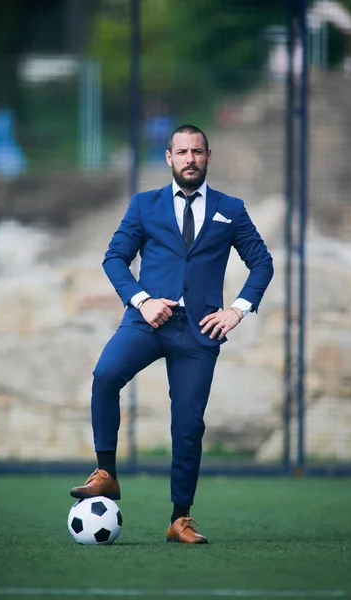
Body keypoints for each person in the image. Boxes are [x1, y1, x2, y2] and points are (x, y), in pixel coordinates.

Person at [70, 124, 274, 544]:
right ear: (169, 158)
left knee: (187, 426)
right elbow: (114, 259)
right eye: (181, 152)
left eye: (197, 152)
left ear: (208, 156)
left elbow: (262, 263)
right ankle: (106, 471)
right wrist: (142, 300)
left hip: (199, 334)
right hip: (146, 323)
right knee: (105, 375)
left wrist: (237, 310)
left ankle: (180, 519)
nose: (189, 159)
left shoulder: (230, 208)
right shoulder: (144, 205)